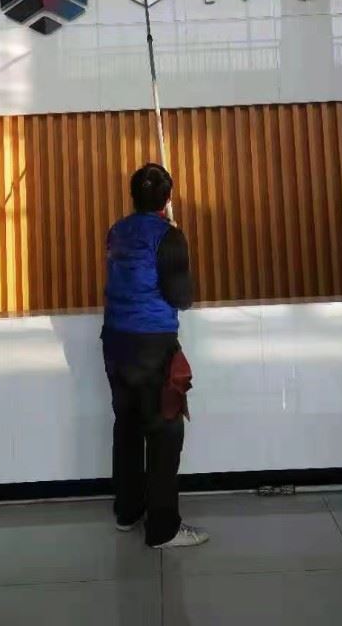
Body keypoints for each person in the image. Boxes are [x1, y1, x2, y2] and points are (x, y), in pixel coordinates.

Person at [101, 163, 209, 549]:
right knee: (165, 431)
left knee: (127, 426)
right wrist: (175, 245)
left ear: (133, 196)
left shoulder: (117, 231)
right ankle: (163, 529)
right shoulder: (170, 237)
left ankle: (128, 511)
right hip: (152, 345)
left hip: (115, 342)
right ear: (168, 197)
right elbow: (182, 297)